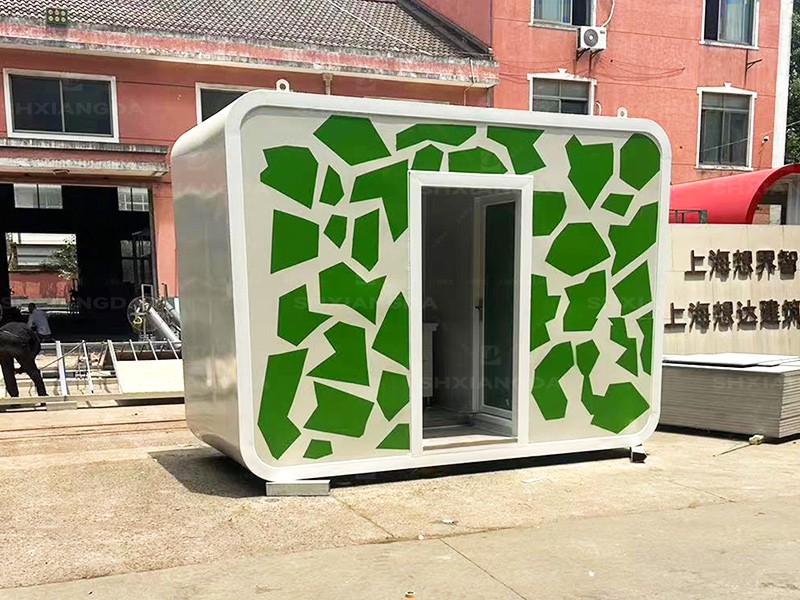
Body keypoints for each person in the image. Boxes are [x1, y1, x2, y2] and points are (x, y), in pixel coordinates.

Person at [0, 321, 47, 397]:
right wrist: (26, 366)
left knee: (7, 370)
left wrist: (22, 368)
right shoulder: (30, 331)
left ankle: (14, 397)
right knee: (33, 371)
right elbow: (37, 347)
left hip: (1, 341)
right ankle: (42, 395)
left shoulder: (8, 326)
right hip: (15, 341)